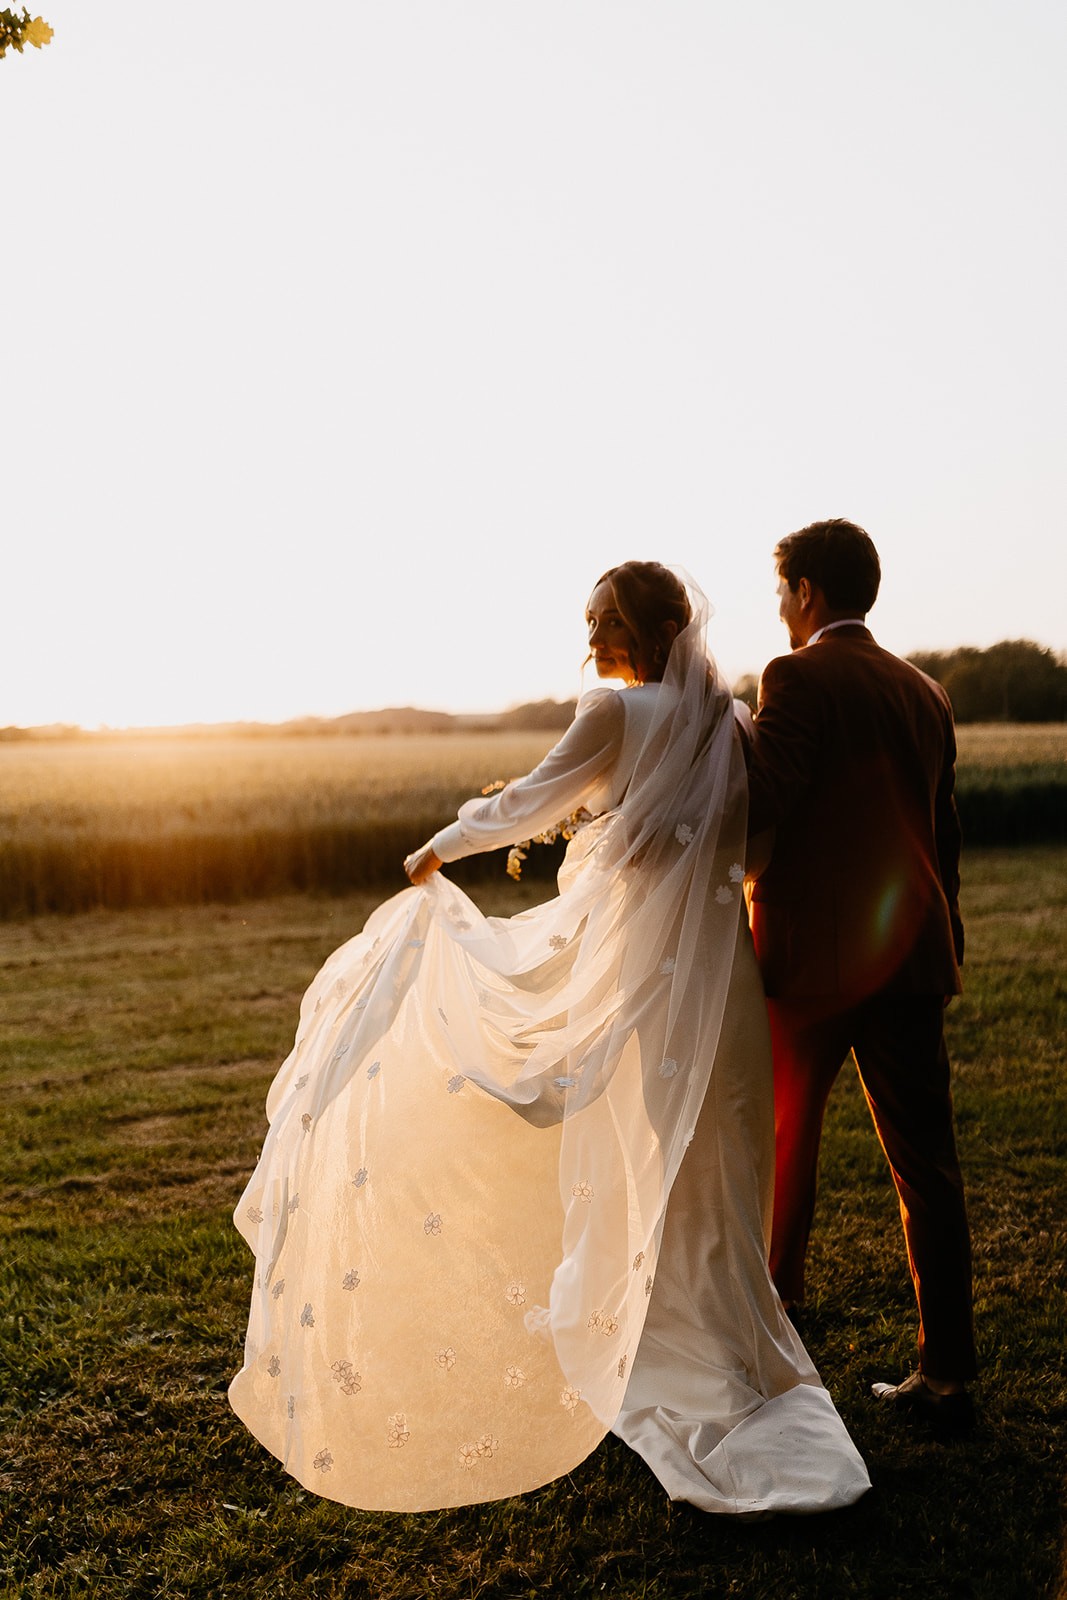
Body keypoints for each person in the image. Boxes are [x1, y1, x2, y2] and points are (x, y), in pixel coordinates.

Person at [229, 561, 870, 1515]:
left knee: (658, 1165)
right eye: (587, 619)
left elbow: (528, 799)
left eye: (604, 619)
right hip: (719, 982)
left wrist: (440, 847)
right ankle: (735, 1362)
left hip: (649, 989)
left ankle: (673, 1364)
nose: (591, 636)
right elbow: (756, 849)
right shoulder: (727, 725)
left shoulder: (613, 717)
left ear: (649, 628)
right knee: (719, 1173)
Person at [745, 519, 977, 1431]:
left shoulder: (793, 676)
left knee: (782, 1152)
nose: (778, 610)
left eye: (781, 592)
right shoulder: (926, 691)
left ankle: (776, 1333)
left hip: (811, 962)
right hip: (911, 955)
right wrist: (944, 935)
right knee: (929, 1169)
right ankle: (949, 1376)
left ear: (805, 592)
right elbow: (943, 832)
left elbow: (763, 795)